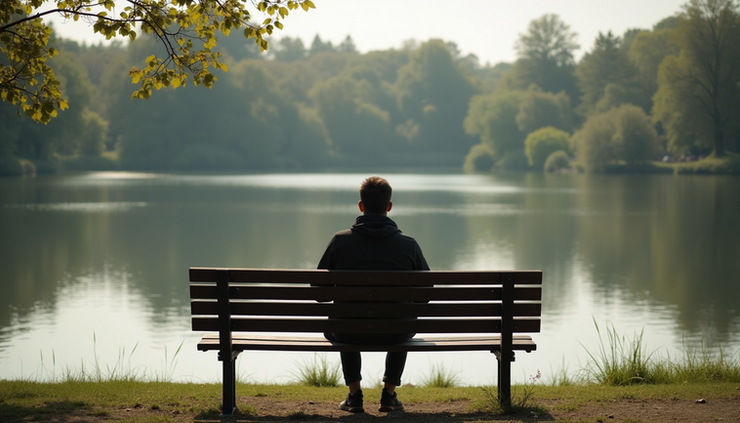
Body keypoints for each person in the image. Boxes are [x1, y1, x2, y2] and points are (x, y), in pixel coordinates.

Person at [317, 176, 429, 413]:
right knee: (404, 318)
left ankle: (354, 395)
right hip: (395, 330)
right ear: (389, 206)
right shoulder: (409, 245)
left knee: (344, 320)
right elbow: (425, 295)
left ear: (360, 206)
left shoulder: (339, 241)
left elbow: (319, 294)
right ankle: (388, 394)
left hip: (347, 329)